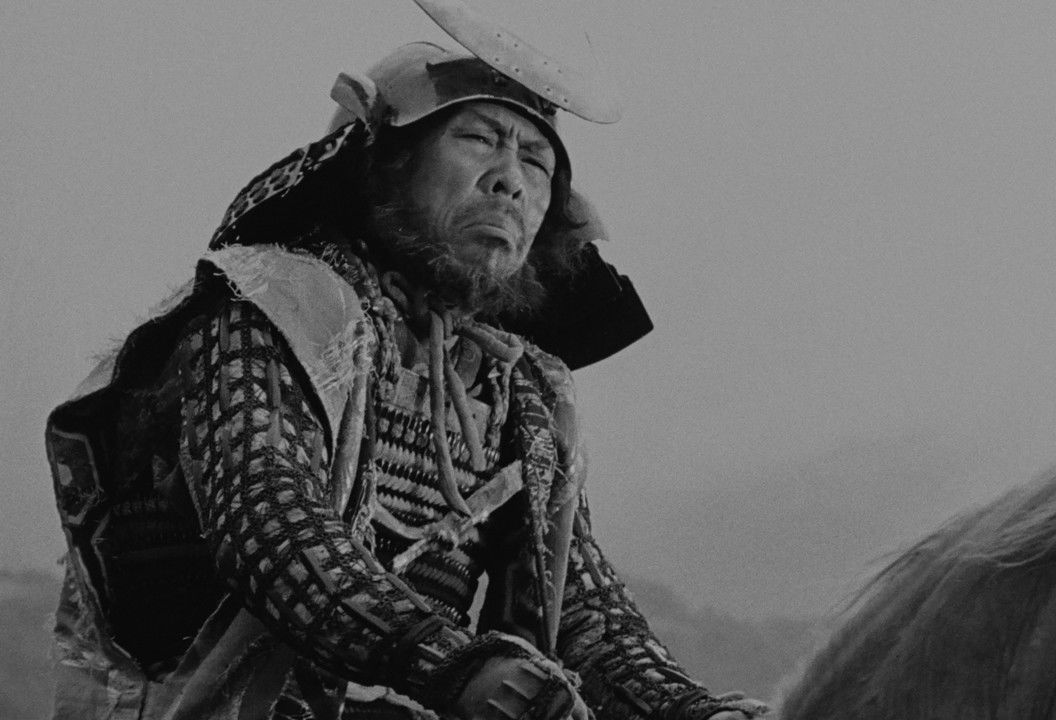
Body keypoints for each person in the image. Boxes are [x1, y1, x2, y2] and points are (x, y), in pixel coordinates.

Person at [43, 5, 770, 720]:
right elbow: (272, 527)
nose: (511, 181)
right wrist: (455, 665)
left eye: (537, 161)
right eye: (480, 139)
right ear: (385, 164)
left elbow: (580, 606)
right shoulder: (268, 311)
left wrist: (693, 710)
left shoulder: (520, 390)